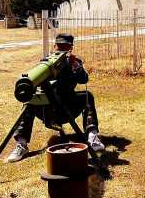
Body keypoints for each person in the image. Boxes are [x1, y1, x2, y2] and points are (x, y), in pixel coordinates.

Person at [6, 33, 105, 163]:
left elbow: (84, 79)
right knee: (29, 102)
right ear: (54, 46)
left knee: (87, 96)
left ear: (71, 48)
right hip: (46, 110)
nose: (62, 50)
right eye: (60, 46)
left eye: (66, 47)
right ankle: (21, 144)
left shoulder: (74, 62)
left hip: (68, 107)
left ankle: (92, 136)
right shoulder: (45, 63)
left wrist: (75, 65)